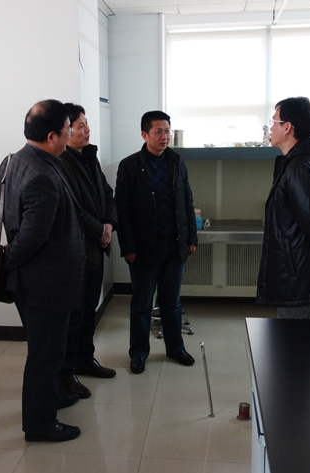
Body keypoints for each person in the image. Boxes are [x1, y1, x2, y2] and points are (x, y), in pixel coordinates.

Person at [0, 99, 85, 442]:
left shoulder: (15, 160)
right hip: (45, 284)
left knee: (47, 349)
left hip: (34, 280)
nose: (71, 134)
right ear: (52, 136)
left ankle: (54, 397)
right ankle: (40, 424)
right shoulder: (42, 176)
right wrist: (9, 260)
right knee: (45, 356)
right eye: (67, 130)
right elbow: (30, 237)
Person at [115, 110, 197, 374]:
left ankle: (175, 348)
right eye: (158, 132)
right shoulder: (129, 166)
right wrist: (128, 246)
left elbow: (187, 201)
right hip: (143, 247)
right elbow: (122, 210)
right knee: (141, 305)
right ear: (144, 134)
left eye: (167, 131)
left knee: (172, 302)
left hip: (174, 244)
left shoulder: (176, 161)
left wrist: (191, 237)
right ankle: (139, 353)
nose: (164, 137)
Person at [256, 97, 310, 319]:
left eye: (274, 121)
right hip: (303, 267)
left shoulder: (300, 167)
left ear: (287, 127)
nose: (270, 127)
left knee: (295, 336)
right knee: (302, 333)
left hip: (297, 271)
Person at [58, 103, 117, 399]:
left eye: (86, 124)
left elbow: (107, 194)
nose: (87, 130)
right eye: (80, 126)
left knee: (88, 310)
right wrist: (100, 231)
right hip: (76, 252)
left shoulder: (89, 157)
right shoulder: (61, 163)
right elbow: (74, 210)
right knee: (74, 315)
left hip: (95, 248)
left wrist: (109, 224)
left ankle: (85, 358)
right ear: (66, 131)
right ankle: (67, 371)